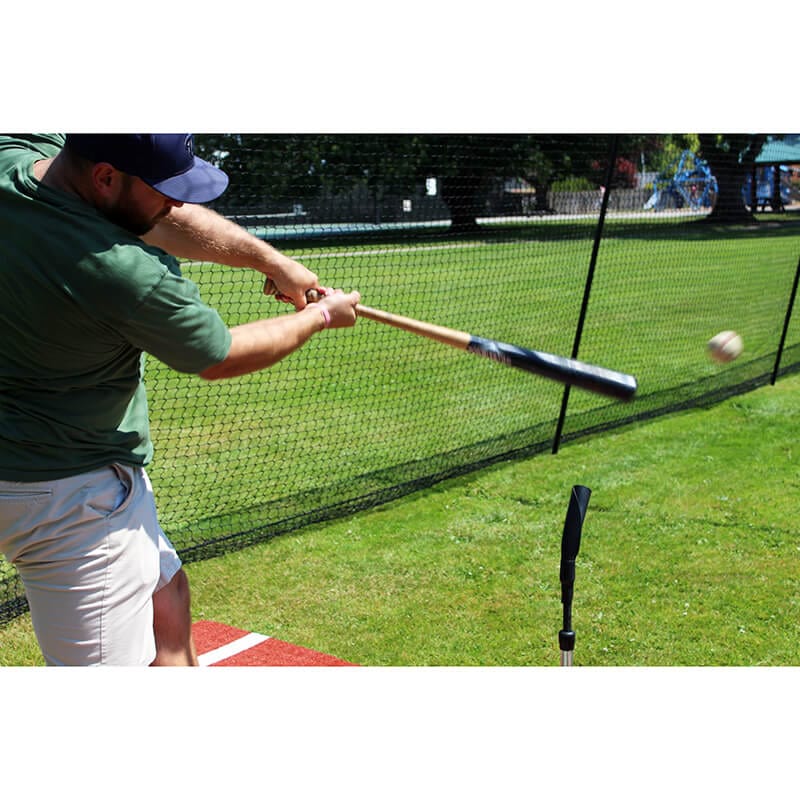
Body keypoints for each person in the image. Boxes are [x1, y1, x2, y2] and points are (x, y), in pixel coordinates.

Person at [0, 133, 361, 666]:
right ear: (104, 177)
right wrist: (319, 317)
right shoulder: (124, 271)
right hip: (68, 499)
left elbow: (162, 217)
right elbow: (221, 355)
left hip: (55, 468)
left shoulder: (17, 155)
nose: (177, 201)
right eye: (164, 188)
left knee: (167, 603)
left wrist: (269, 261)